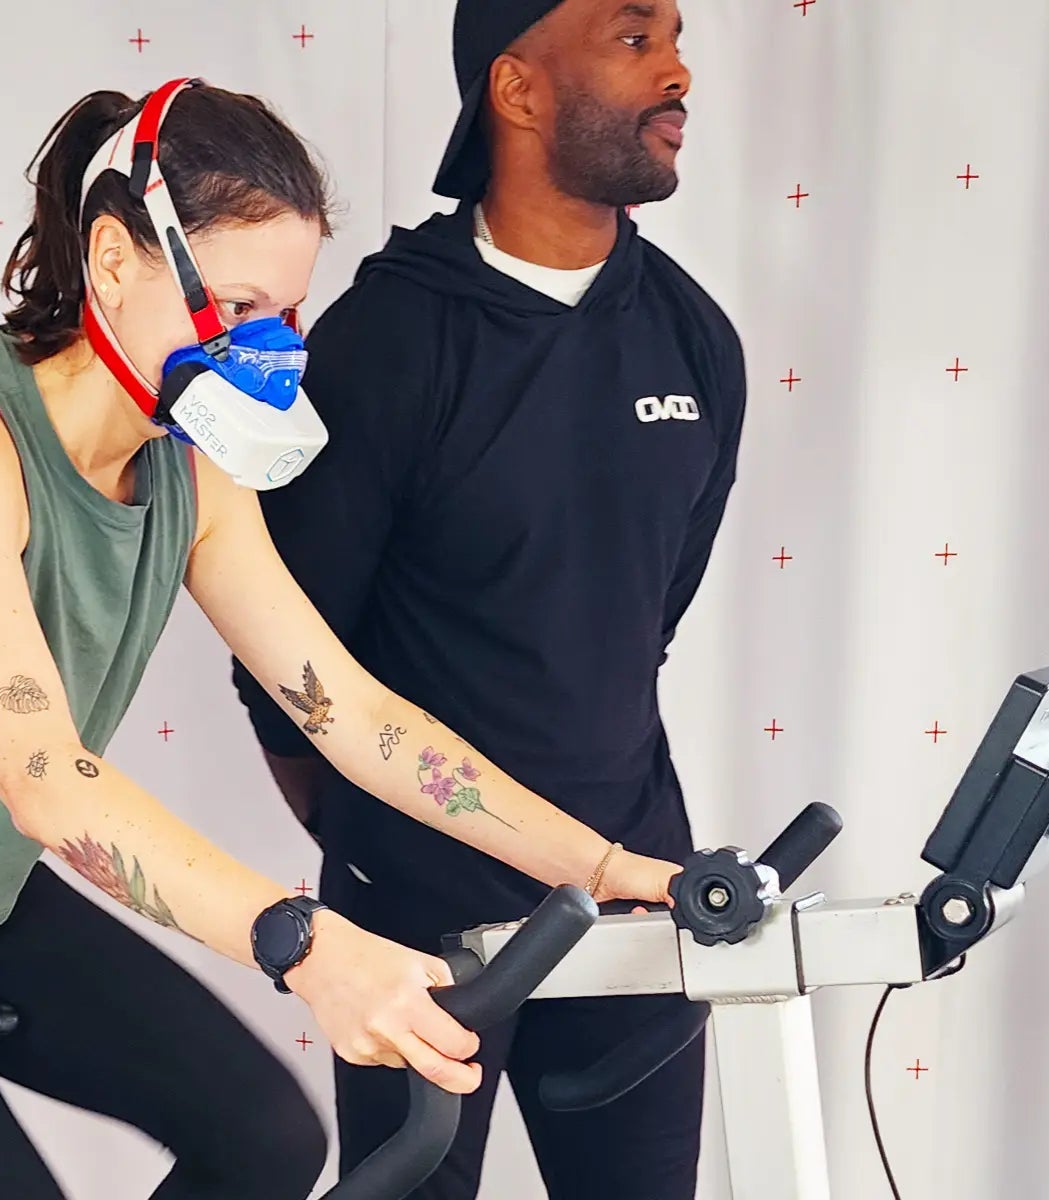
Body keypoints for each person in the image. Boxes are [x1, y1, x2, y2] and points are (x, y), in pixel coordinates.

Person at [0, 76, 682, 1200]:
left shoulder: (190, 461)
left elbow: (349, 713)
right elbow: (48, 784)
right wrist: (307, 945)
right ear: (115, 259)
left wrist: (606, 867)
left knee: (263, 1142)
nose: (275, 346)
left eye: (290, 313)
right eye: (242, 305)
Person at [231, 2, 746, 1197]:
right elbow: (289, 663)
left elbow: (648, 615)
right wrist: (384, 852)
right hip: (416, 915)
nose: (677, 72)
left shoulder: (695, 340)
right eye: (633, 38)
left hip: (637, 886)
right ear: (515, 91)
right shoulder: (384, 342)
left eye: (674, 36)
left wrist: (608, 854)